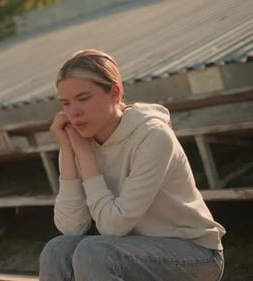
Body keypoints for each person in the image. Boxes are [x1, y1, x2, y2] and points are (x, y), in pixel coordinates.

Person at [39, 49, 225, 281]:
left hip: (194, 254)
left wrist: (85, 156)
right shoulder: (77, 139)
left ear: (115, 93)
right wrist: (68, 151)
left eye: (83, 99)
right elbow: (71, 227)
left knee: (95, 253)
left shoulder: (153, 137)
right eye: (65, 103)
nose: (73, 112)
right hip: (130, 248)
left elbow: (113, 226)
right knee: (57, 249)